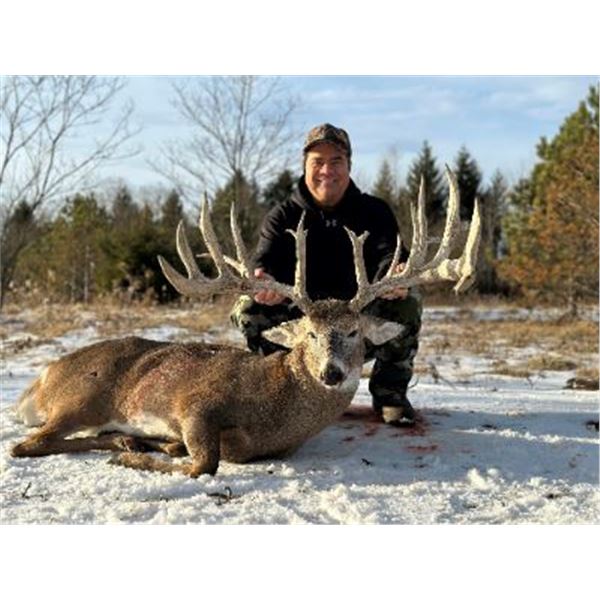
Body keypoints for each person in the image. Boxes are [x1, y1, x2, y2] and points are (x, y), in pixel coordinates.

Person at [231, 123, 422, 425]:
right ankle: (278, 390)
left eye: (336, 161)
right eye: (317, 162)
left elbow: (391, 252)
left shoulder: (374, 211)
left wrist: (395, 274)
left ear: (349, 165)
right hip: (305, 326)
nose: (327, 171)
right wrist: (264, 280)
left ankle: (390, 394)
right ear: (305, 165)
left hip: (356, 324)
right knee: (249, 308)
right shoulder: (283, 215)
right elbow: (264, 258)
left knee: (407, 302)